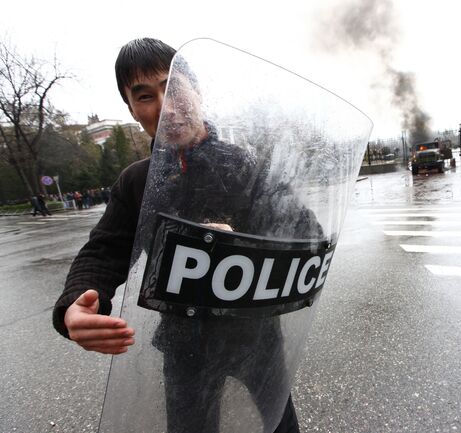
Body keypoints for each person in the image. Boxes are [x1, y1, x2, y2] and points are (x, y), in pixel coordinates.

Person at [52, 38, 304, 433]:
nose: (167, 106)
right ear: (132, 110)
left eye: (175, 86)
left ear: (197, 90)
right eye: (145, 95)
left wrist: (239, 243)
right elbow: (103, 251)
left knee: (282, 427)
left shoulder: (247, 166)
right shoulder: (136, 182)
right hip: (183, 348)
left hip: (256, 340)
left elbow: (304, 234)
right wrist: (76, 304)